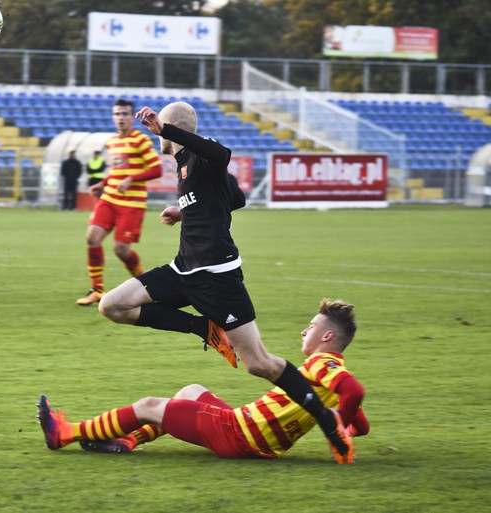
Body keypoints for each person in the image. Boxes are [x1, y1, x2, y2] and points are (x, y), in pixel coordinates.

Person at [96, 101, 354, 461]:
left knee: (259, 364)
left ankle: (329, 422)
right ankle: (203, 329)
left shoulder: (201, 155)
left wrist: (165, 130)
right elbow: (236, 197)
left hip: (218, 278)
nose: (155, 136)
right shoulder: (184, 166)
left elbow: (222, 153)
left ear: (175, 128)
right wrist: (187, 211)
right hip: (183, 270)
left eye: (162, 129)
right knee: (112, 305)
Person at [39, 299, 368, 463]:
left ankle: (65, 434)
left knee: (148, 406)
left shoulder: (322, 364)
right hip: (252, 434)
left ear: (327, 335)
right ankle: (127, 441)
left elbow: (355, 392)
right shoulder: (333, 373)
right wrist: (347, 424)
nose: (303, 330)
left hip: (240, 433)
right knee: (190, 391)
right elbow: (360, 422)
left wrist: (336, 430)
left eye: (310, 327)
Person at [76, 98, 163, 306]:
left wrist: (132, 179)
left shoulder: (140, 140)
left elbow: (156, 169)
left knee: (121, 250)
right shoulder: (112, 142)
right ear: (113, 117)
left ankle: (144, 285)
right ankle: (97, 290)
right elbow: (117, 171)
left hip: (132, 203)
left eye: (124, 114)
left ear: (131, 117)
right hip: (109, 198)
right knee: (92, 238)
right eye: (117, 114)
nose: (120, 118)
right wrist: (102, 183)